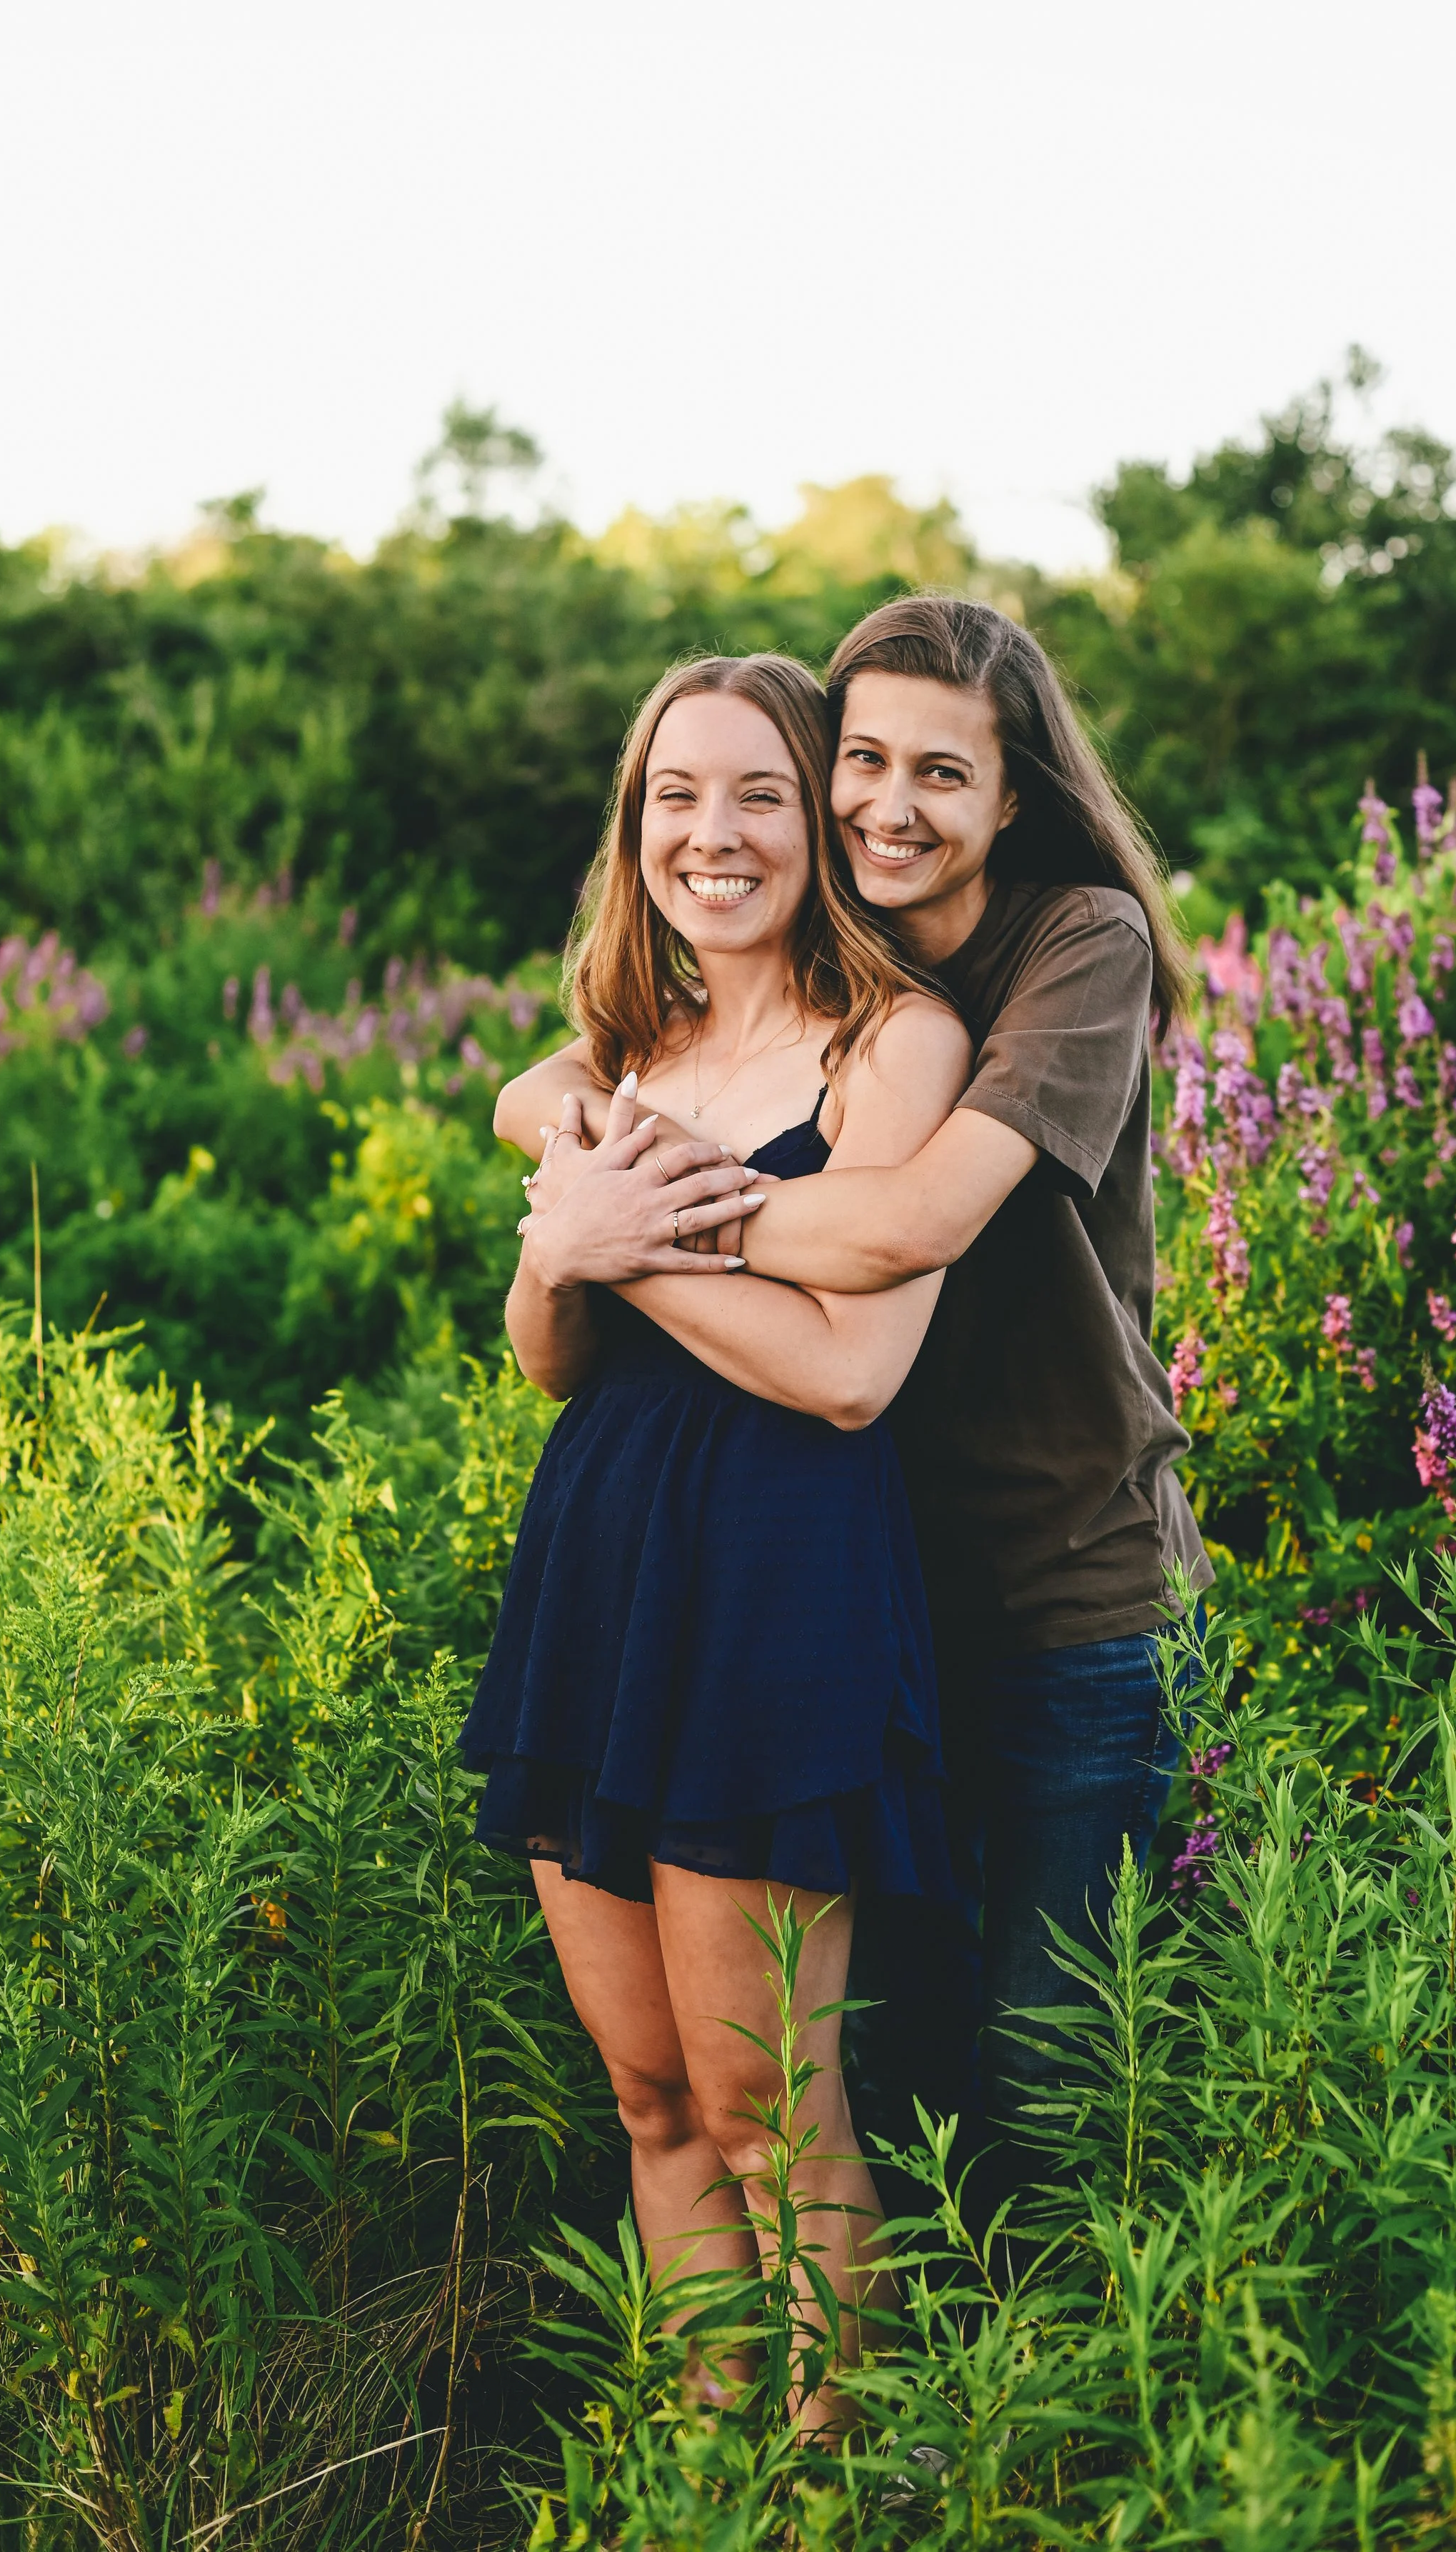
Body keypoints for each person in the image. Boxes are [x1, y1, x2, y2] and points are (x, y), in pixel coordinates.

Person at [516, 598, 1210, 2143]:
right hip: (859, 1594)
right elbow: (594, 1047)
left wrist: (634, 1208)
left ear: (1011, 793)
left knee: (1040, 2085)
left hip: (1054, 1589)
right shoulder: (826, 943)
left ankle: (1073, 2382)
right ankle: (889, 2391)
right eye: (862, 763)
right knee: (875, 2086)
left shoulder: (1066, 943)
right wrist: (559, 1115)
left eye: (943, 775)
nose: (891, 806)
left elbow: (904, 1225)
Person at [463, 650, 971, 2417]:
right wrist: (558, 1246)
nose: (714, 833)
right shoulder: (618, 1052)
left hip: (773, 1591)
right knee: (652, 2098)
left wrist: (625, 1234)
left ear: (818, 821)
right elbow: (547, 1360)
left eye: (760, 792)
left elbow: (848, 1378)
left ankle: (836, 2485)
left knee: (771, 2110)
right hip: (599, 1579)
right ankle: (708, 2466)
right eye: (676, 795)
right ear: (635, 826)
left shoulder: (893, 1046)